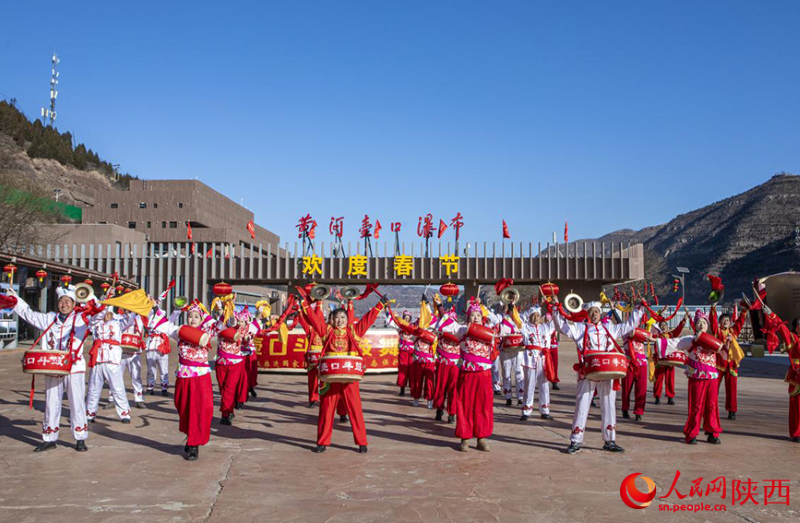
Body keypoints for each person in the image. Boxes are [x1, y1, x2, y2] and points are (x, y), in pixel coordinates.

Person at [5, 286, 102, 452]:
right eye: (61, 301)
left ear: (73, 303)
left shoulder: (81, 319)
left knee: (76, 402)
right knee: (51, 402)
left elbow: (97, 316)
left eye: (67, 301)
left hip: (74, 367)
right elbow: (29, 314)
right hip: (52, 365)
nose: (64, 304)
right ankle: (49, 438)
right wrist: (15, 300)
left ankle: (80, 438)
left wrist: (92, 299)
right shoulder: (49, 318)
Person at [298, 288, 386, 453]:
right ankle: (322, 442)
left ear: (347, 319)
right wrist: (303, 303)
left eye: (343, 317)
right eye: (337, 317)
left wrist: (380, 305)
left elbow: (368, 320)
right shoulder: (327, 332)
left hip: (348, 376)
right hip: (329, 378)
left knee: (355, 409)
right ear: (332, 320)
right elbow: (313, 319)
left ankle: (362, 442)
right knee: (326, 409)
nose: (340, 320)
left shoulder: (353, 332)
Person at [553, 299, 644, 454]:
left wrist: (639, 309)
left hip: (607, 371)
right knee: (582, 404)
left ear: (600, 313)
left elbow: (629, 325)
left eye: (596, 311)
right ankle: (575, 440)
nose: (594, 314)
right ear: (587, 314)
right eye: (591, 312)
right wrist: (555, 309)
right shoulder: (580, 328)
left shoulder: (609, 328)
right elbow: (561, 327)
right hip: (587, 371)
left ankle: (610, 440)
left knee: (609, 405)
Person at [655, 309, 724, 444]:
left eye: (704, 322)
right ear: (695, 325)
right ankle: (692, 433)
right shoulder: (690, 340)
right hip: (697, 377)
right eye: (699, 322)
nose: (701, 325)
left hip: (711, 378)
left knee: (711, 405)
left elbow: (723, 351)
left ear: (708, 326)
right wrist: (655, 340)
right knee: (696, 406)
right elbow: (674, 343)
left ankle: (712, 432)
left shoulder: (713, 340)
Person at [161, 300, 216, 460]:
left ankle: (194, 445)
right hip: (184, 376)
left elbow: (222, 326)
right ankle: (190, 435)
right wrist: (176, 310)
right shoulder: (180, 333)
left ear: (201, 320)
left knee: (200, 409)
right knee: (183, 406)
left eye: (196, 317)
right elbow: (164, 325)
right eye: (190, 316)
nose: (192, 319)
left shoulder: (207, 333)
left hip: (200, 378)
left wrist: (219, 309)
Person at [440, 297, 496, 452]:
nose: (476, 317)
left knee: (483, 405)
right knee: (465, 404)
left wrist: (482, 305)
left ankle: (481, 438)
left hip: (484, 373)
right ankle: (465, 437)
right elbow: (443, 325)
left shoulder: (489, 330)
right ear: (467, 317)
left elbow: (498, 322)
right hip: (467, 372)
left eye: (478, 315)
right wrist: (445, 309)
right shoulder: (462, 330)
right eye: (473, 315)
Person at [85, 307, 136, 424]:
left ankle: (124, 413)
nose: (105, 315)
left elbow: (129, 321)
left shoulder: (118, 323)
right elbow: (88, 321)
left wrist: (129, 310)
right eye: (103, 312)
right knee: (93, 388)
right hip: (97, 359)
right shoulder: (95, 323)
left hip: (112, 359)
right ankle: (90, 413)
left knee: (117, 388)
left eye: (108, 313)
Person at [761, 309, 800, 442]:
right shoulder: (793, 338)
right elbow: (782, 327)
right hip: (797, 374)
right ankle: (797, 432)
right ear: (796, 327)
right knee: (797, 406)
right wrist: (771, 314)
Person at [710, 304, 748, 420]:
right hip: (719, 364)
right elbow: (713, 323)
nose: (726, 322)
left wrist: (744, 311)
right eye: (723, 320)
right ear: (720, 322)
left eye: (728, 320)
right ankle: (711, 408)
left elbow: (740, 322)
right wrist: (713, 309)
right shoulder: (717, 332)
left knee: (732, 389)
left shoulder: (733, 331)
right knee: (713, 387)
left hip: (731, 365)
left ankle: (732, 411)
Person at [519, 305, 555, 421]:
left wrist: (554, 307)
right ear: (529, 317)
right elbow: (516, 320)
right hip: (530, 359)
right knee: (529, 384)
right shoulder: (525, 328)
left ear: (541, 317)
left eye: (538, 315)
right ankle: (526, 410)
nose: (535, 317)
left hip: (544, 360)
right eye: (533, 315)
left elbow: (555, 322)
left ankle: (545, 410)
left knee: (544, 385)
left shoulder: (546, 327)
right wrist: (512, 306)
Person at [487, 302, 525, 406]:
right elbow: (489, 315)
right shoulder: (499, 318)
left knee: (519, 372)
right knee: (506, 373)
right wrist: (479, 304)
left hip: (518, 349)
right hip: (505, 349)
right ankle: (508, 397)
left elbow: (523, 327)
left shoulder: (519, 318)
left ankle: (520, 397)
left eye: (510, 307)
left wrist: (514, 312)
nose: (508, 309)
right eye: (506, 307)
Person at [433, 306, 461, 423]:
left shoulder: (460, 332)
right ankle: (439, 410)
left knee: (453, 389)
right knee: (440, 387)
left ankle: (452, 413)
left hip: (454, 365)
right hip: (442, 363)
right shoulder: (440, 330)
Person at [652, 316, 687, 405]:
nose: (664, 327)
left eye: (665, 325)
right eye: (662, 325)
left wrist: (683, 321)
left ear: (667, 327)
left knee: (670, 380)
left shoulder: (671, 334)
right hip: (660, 361)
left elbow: (678, 330)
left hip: (670, 361)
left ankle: (670, 397)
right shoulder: (656, 336)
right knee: (658, 380)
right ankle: (657, 397)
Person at [144, 291, 172, 397]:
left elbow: (157, 311)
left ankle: (164, 388)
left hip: (161, 345)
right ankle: (150, 387)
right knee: (151, 368)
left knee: (163, 368)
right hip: (151, 345)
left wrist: (157, 301)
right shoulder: (147, 316)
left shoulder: (163, 317)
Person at [386, 308, 415, 397]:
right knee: (402, 371)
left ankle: (413, 391)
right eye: (405, 318)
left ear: (410, 319)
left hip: (411, 353)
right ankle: (402, 389)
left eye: (408, 318)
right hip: (403, 353)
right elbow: (391, 322)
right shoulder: (400, 327)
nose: (406, 320)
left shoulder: (413, 328)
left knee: (412, 372)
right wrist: (387, 311)